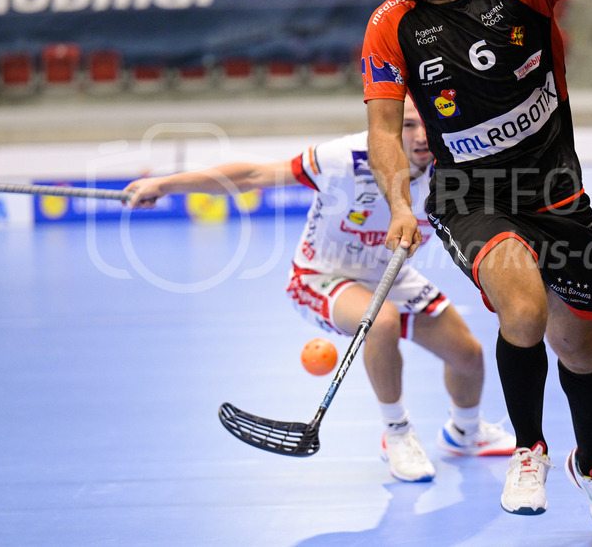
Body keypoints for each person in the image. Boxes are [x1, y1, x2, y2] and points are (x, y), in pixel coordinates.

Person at [362, 0, 592, 530]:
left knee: (580, 350)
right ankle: (528, 447)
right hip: (469, 197)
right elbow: (380, 129)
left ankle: (590, 462)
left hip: (557, 195)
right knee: (525, 308)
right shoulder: (392, 25)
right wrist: (400, 201)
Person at [122, 97, 515, 483]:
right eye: (407, 124)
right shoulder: (346, 157)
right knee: (381, 323)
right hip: (322, 275)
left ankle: (465, 432)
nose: (420, 136)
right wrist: (166, 184)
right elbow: (254, 176)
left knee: (467, 354)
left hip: (389, 275)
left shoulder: (454, 171)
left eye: (427, 123)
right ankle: (396, 433)